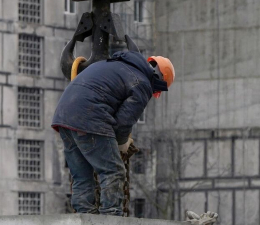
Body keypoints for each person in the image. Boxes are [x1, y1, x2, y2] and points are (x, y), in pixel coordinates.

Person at [52, 51, 175, 215]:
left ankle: (84, 215)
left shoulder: (112, 64)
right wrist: (122, 144)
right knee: (113, 171)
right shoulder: (142, 82)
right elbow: (123, 122)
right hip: (90, 118)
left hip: (64, 118)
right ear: (159, 79)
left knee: (81, 174)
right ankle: (111, 216)